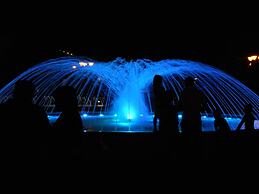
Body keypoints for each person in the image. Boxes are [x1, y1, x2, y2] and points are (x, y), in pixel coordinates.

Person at [0, 80, 51, 160]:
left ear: (14, 92)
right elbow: (46, 133)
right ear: (32, 93)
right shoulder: (37, 111)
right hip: (33, 153)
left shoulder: (4, 109)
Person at [52, 86, 83, 159]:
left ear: (65, 100)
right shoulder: (70, 114)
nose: (54, 102)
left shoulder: (69, 116)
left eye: (57, 99)